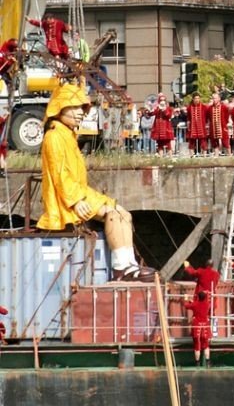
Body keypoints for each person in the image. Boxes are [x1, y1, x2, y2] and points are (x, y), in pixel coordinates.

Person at [36, 81, 154, 281]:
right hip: (68, 197)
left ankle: (129, 263)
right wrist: (75, 200)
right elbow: (59, 174)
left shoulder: (67, 135)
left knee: (123, 214)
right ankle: (121, 267)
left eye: (82, 108)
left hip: (80, 191)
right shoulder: (54, 136)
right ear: (60, 108)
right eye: (75, 107)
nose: (81, 112)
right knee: (112, 214)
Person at [184, 289, 212, 367]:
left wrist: (186, 299)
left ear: (198, 297)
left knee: (197, 346)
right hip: (205, 326)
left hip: (197, 326)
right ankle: (208, 362)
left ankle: (197, 363)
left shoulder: (195, 304)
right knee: (206, 345)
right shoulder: (207, 304)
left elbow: (186, 306)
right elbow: (201, 305)